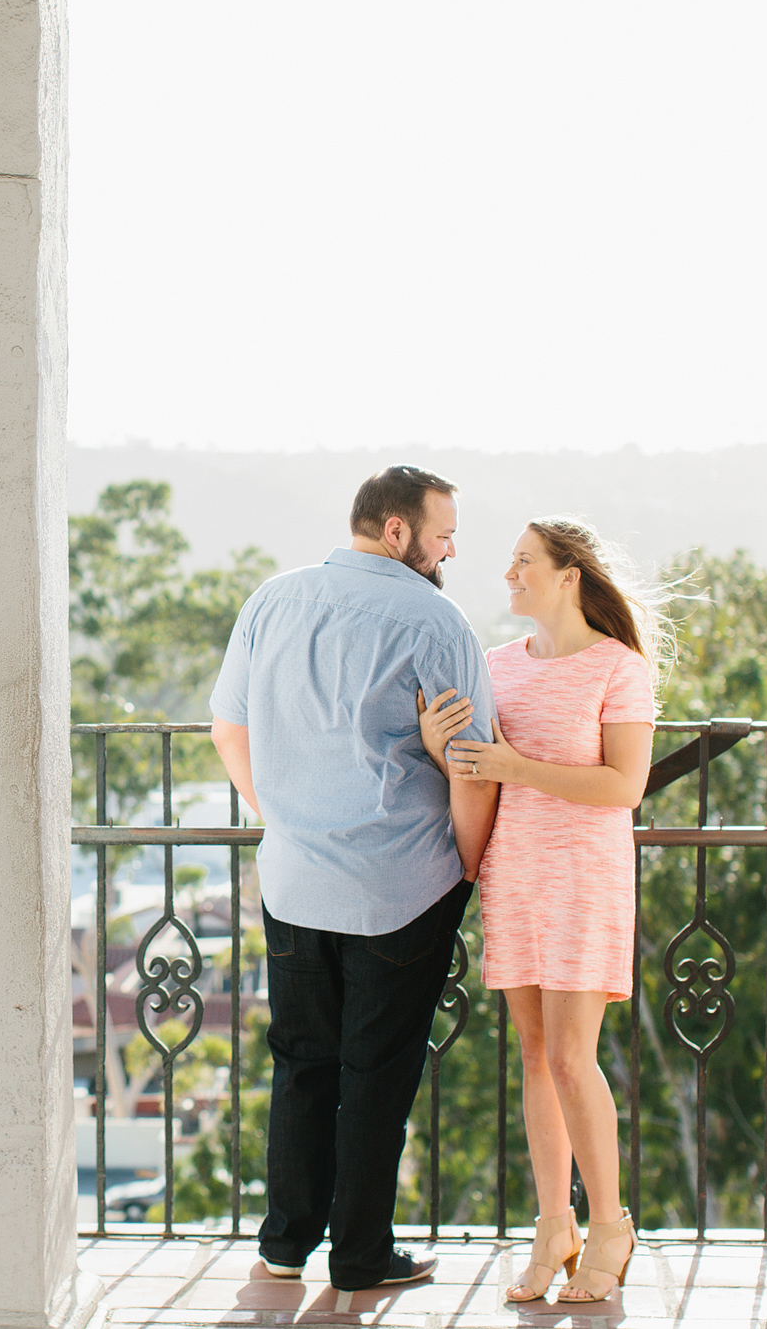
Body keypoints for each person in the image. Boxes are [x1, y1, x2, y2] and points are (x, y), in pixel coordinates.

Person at [209, 465, 498, 1293]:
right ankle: (363, 1254)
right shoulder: (438, 620)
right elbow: (471, 767)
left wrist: (286, 816)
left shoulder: (273, 598)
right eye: (443, 534)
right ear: (399, 531)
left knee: (302, 1061)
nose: (451, 551)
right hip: (398, 887)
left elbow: (229, 728)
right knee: (377, 1071)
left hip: (295, 879)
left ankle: (284, 1243)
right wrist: (469, 867)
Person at [416, 516, 665, 1305]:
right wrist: (435, 743)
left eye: (524, 561)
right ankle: (554, 1224)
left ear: (569, 575)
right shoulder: (494, 666)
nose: (509, 573)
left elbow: (624, 785)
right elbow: (476, 768)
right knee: (532, 1054)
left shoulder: (618, 668)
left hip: (584, 877)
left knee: (569, 1056)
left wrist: (518, 763)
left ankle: (612, 1225)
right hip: (513, 872)